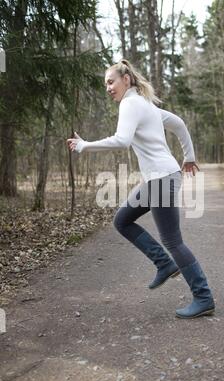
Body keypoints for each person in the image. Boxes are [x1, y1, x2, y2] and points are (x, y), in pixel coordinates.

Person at [67, 59, 215, 318]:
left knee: (173, 240)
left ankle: (203, 297)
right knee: (122, 220)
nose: (108, 88)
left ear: (126, 79)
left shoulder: (130, 103)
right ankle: (163, 264)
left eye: (111, 81)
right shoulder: (144, 104)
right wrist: (188, 156)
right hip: (158, 178)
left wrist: (85, 146)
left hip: (161, 178)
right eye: (105, 84)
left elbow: (123, 140)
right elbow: (178, 123)